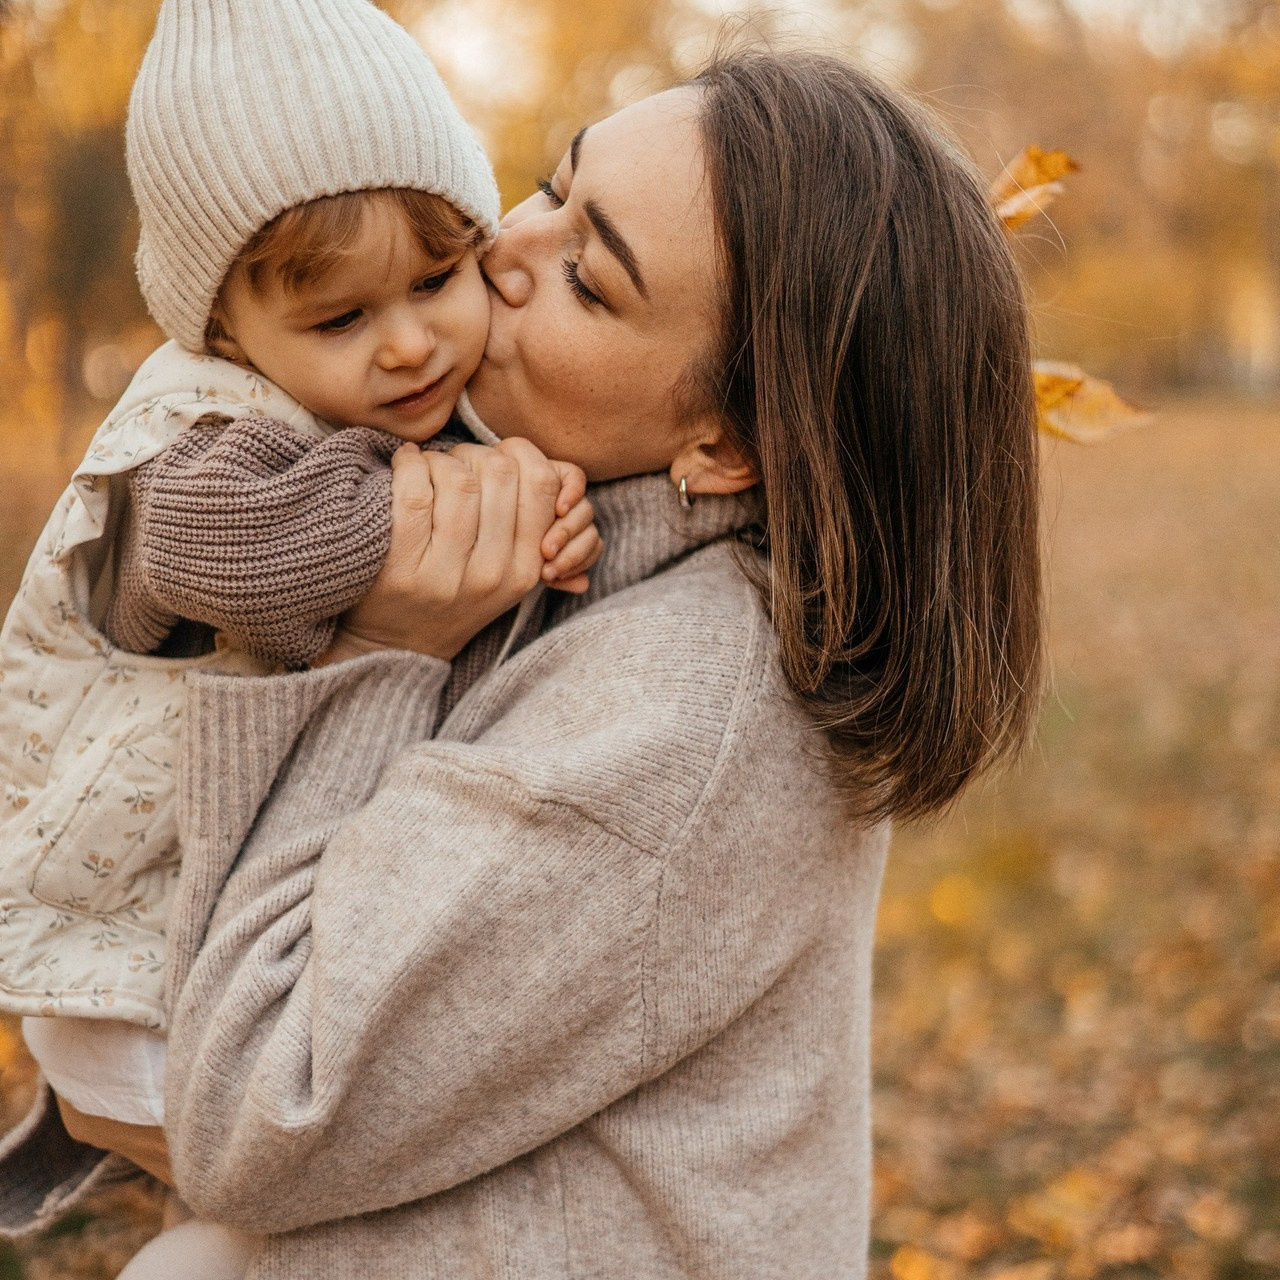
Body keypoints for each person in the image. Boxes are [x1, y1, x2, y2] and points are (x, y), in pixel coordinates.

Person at [0, 47, 1043, 1280]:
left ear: (722, 444)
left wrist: (383, 649)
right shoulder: (579, 543)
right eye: (551, 187)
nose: (500, 254)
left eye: (586, 278)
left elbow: (255, 1116)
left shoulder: (669, 718)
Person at [0, 1, 598, 1273]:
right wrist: (481, 507)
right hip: (131, 972)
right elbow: (225, 552)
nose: (406, 341)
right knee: (387, 1179)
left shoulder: (388, 401)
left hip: (209, 949)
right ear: (223, 331)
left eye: (437, 281)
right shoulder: (205, 441)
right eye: (338, 321)